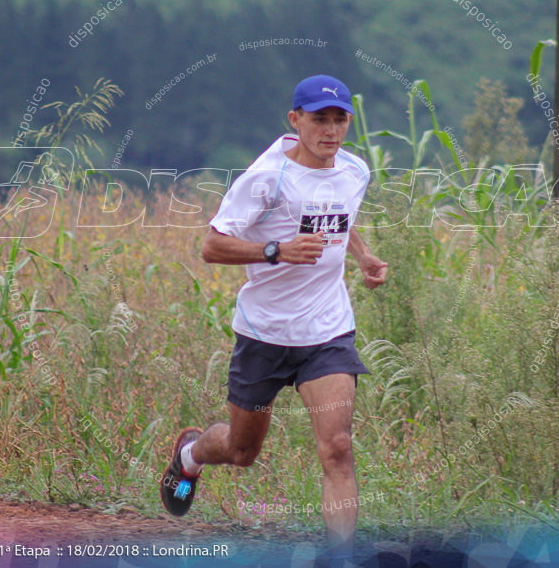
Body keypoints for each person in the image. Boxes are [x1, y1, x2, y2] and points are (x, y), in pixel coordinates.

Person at [160, 74, 388, 564]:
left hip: (327, 332)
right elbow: (211, 245)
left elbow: (338, 219)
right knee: (242, 453)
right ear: (296, 120)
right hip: (264, 335)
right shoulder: (267, 178)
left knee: (338, 447)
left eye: (340, 119)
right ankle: (191, 454)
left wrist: (364, 255)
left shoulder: (354, 172)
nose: (331, 130)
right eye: (319, 119)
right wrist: (275, 250)